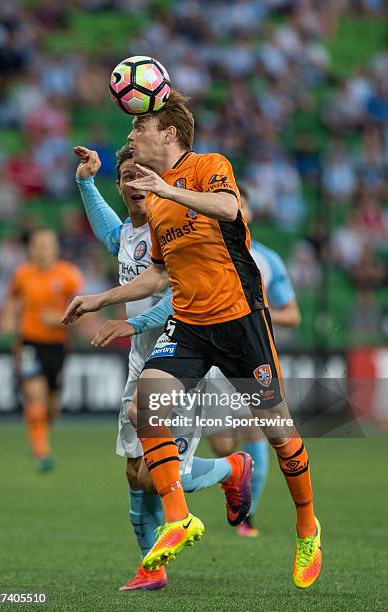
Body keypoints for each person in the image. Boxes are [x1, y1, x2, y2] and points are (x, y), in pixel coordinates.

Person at [63, 90, 322, 589]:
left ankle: (307, 524)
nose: (131, 135)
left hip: (241, 320)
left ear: (169, 135)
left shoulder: (209, 165)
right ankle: (179, 517)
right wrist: (100, 298)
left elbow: (228, 208)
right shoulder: (155, 205)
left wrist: (169, 189)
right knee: (146, 406)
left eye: (140, 129)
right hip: (190, 324)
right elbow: (158, 275)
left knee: (278, 430)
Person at [74, 143, 252, 591]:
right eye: (127, 178)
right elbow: (108, 233)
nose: (135, 184)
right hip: (143, 364)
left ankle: (234, 468)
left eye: (141, 175)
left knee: (161, 477)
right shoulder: (129, 234)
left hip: (184, 358)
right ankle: (151, 569)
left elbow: (177, 297)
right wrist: (85, 181)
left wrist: (131, 325)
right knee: (134, 472)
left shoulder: (173, 228)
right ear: (120, 187)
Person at [206, 188, 301, 537]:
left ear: (247, 212)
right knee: (221, 445)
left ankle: (248, 517)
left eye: (240, 204)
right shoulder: (206, 254)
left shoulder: (267, 260)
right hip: (214, 361)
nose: (236, 209)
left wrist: (256, 316)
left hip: (253, 358)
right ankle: (235, 473)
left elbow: (293, 315)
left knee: (257, 431)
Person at [3, 229, 83, 470]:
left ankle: (40, 435)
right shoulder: (22, 274)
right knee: (34, 394)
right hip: (29, 343)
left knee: (51, 408)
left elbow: (85, 311)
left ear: (56, 248)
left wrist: (61, 318)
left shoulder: (69, 275)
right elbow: (13, 299)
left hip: (57, 347)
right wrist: (9, 318)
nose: (42, 249)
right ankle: (41, 452)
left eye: (46, 245)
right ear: (31, 249)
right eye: (37, 245)